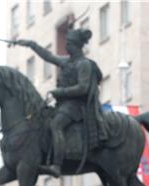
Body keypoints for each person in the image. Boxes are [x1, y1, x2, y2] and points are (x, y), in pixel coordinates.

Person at [15, 28, 107, 177]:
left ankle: (57, 165)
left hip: (78, 106)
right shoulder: (67, 61)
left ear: (76, 45)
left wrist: (60, 92)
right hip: (64, 104)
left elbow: (83, 88)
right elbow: (48, 56)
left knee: (56, 124)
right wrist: (31, 44)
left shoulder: (84, 64)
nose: (66, 46)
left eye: (69, 43)